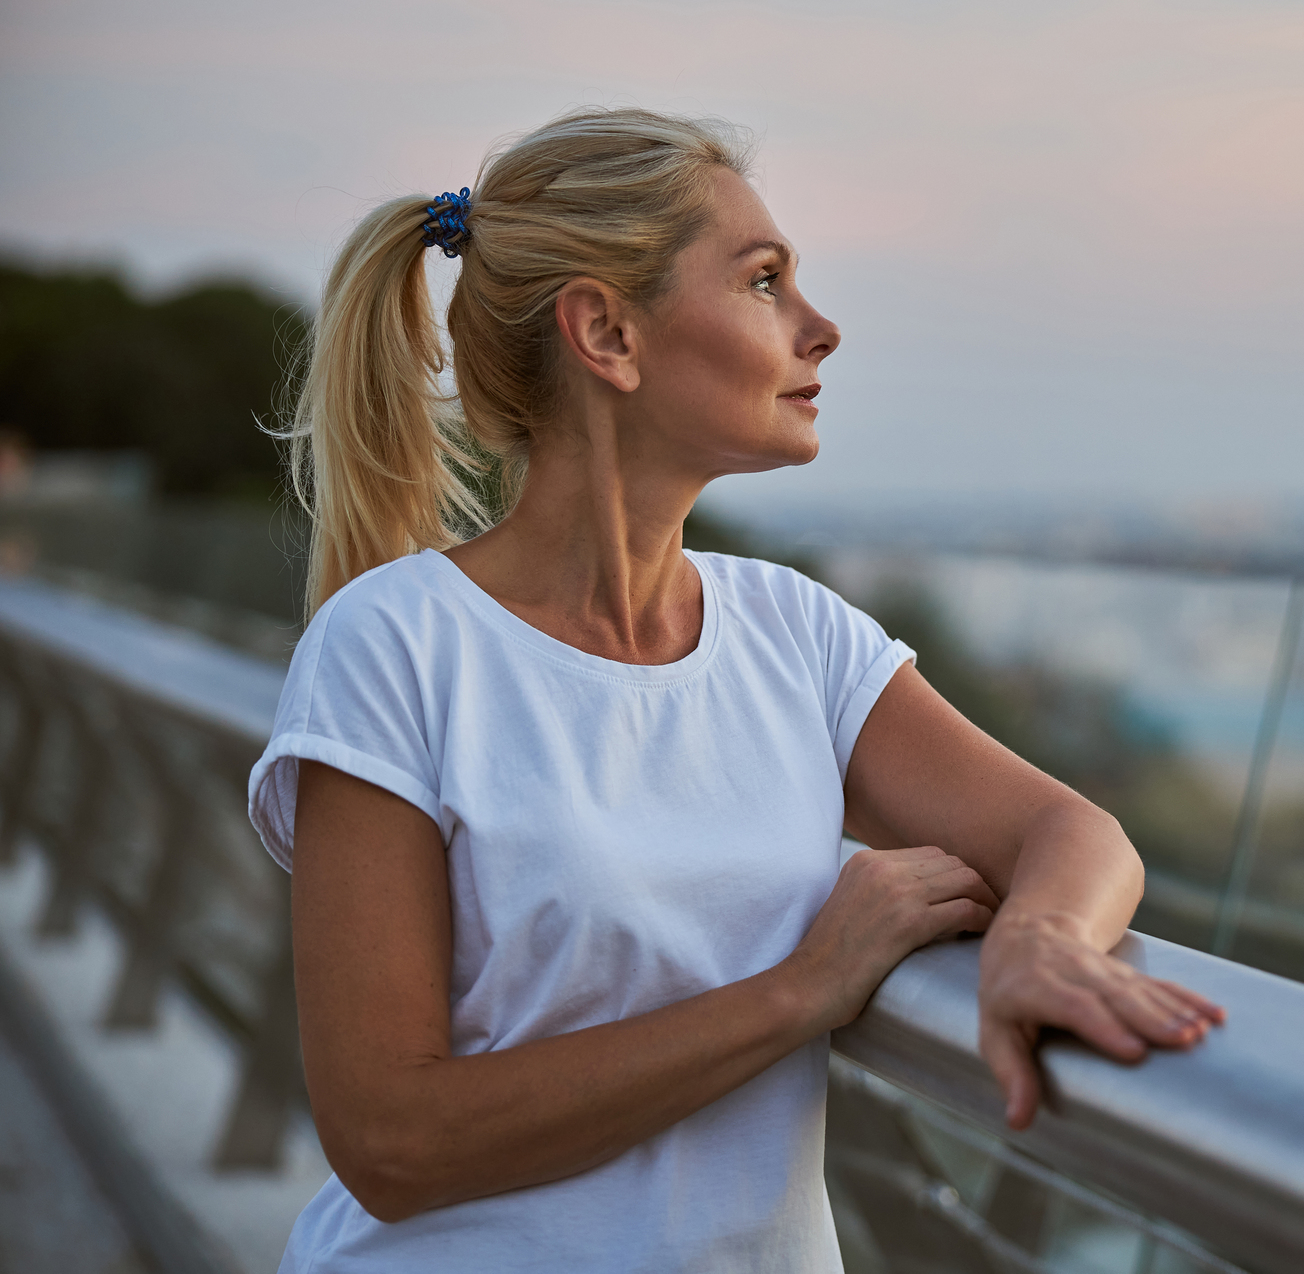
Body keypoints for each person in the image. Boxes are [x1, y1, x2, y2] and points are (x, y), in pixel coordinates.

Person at [246, 108, 1222, 1272]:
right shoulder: (393, 647)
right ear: (607, 332)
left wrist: (1041, 940)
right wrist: (799, 988)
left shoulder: (791, 631)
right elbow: (390, 1140)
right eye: (764, 281)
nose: (822, 329)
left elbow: (1068, 830)